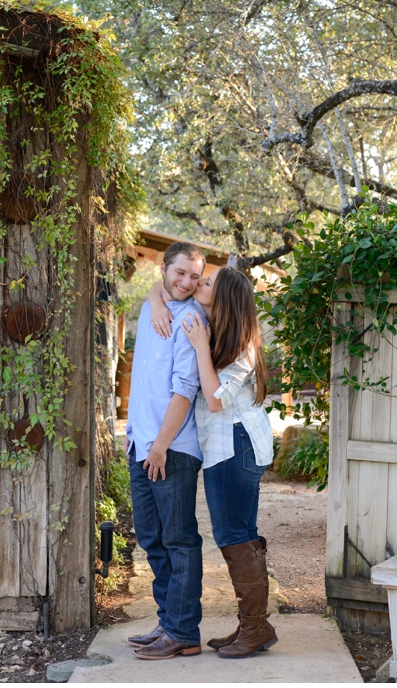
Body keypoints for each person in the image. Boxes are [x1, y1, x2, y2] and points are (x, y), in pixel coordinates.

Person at [149, 265, 277, 657]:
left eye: (206, 283)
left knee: (235, 538)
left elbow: (216, 399)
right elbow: (161, 285)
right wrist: (157, 298)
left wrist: (202, 347)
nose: (197, 284)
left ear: (224, 299)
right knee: (240, 536)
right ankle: (252, 627)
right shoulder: (222, 332)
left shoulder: (241, 345)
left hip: (236, 447)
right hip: (226, 448)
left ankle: (255, 629)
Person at [123, 241, 208, 660]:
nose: (188, 282)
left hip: (172, 450)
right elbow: (144, 379)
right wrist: (135, 433)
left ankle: (184, 632)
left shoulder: (192, 318)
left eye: (195, 276)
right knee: (151, 538)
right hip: (143, 443)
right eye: (181, 273)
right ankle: (168, 620)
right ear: (163, 270)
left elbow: (184, 391)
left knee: (179, 540)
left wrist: (159, 445)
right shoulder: (149, 309)